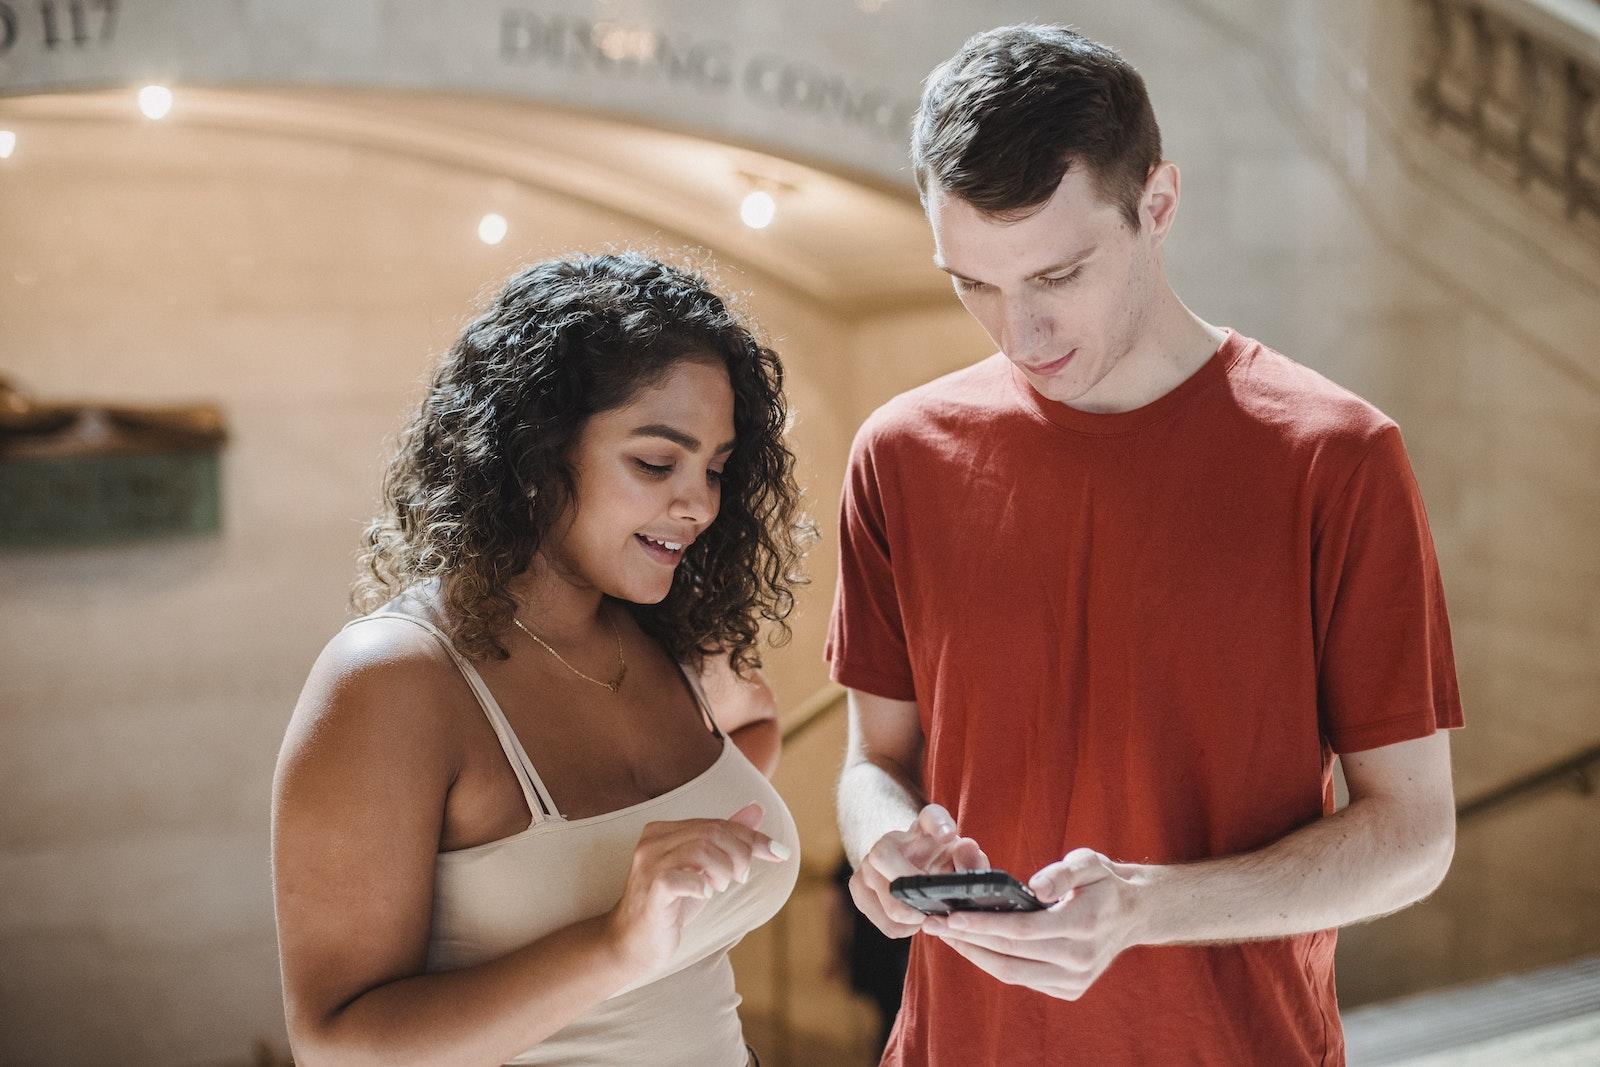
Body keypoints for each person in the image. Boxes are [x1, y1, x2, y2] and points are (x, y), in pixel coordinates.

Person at [831, 24, 1463, 1066]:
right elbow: (874, 758)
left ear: (1157, 203)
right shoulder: (899, 454)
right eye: (972, 284)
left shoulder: (1336, 457)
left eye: (1057, 274)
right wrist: (878, 842)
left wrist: (1144, 907)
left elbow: (1411, 834)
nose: (1017, 335)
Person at [272, 252, 808, 1066]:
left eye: (717, 469)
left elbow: (755, 721)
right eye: (657, 462)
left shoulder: (666, 632)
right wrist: (615, 945)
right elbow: (336, 1045)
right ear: (533, 453)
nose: (699, 503)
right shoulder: (395, 680)